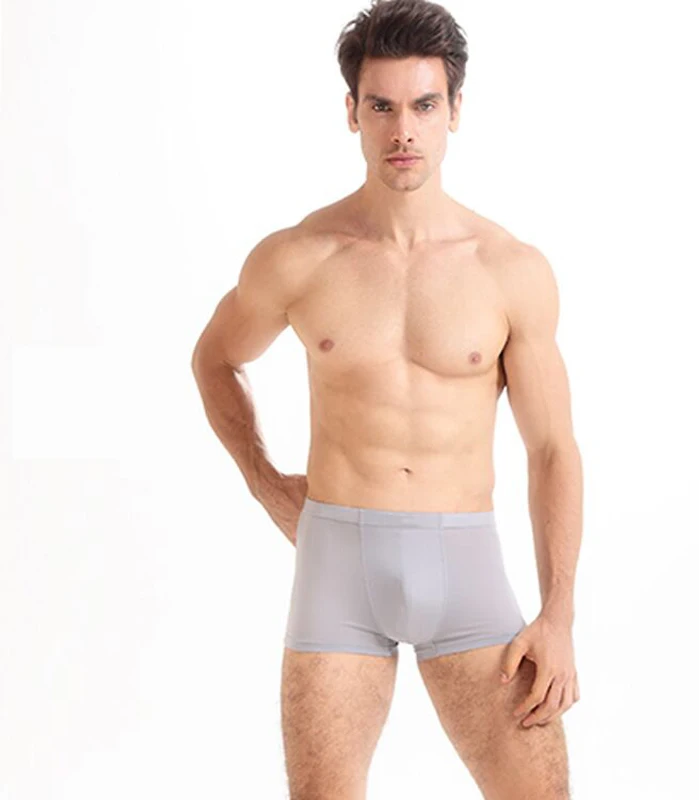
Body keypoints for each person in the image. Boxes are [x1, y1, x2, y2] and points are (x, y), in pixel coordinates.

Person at [191, 0, 582, 796]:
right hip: (336, 570)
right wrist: (265, 482)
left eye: (424, 106)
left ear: (455, 111)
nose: (404, 130)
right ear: (352, 112)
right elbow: (215, 359)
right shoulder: (298, 257)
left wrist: (559, 616)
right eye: (382, 107)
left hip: (467, 574)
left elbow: (552, 449)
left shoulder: (509, 269)